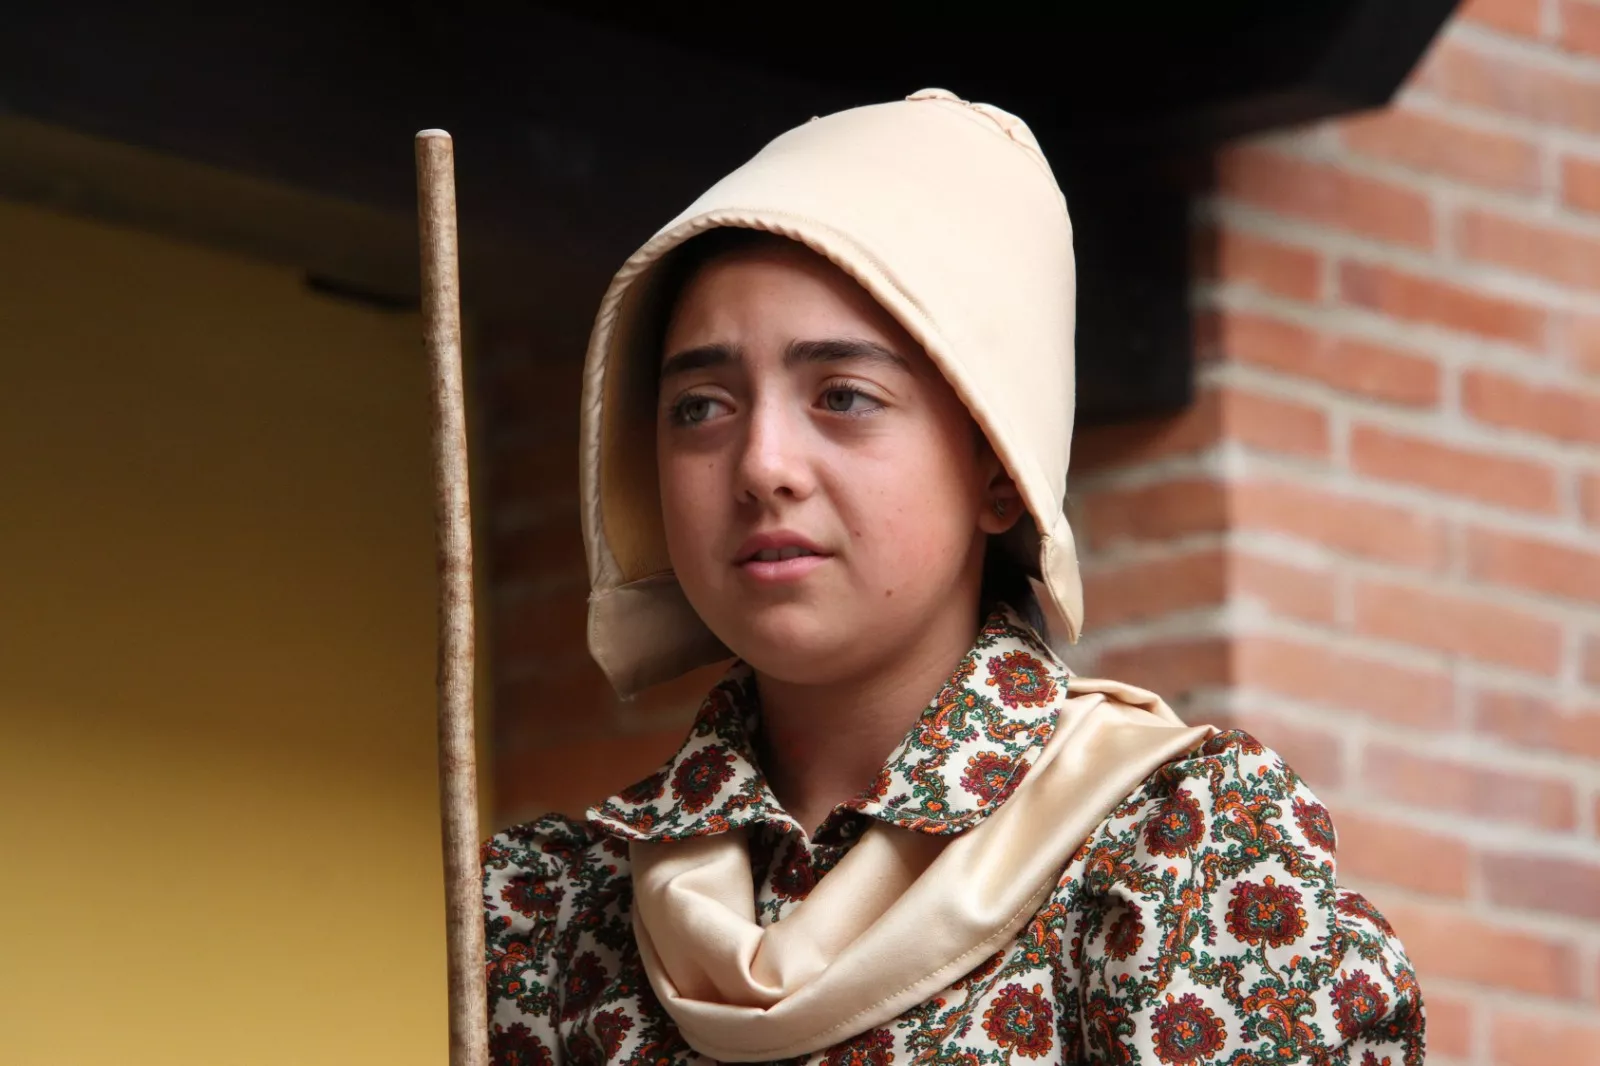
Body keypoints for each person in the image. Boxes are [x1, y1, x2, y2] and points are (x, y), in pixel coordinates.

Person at [483, 89, 1424, 1065]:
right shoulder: (556, 914)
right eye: (700, 408)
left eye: (843, 396)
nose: (762, 463)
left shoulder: (1172, 856)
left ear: (997, 471)